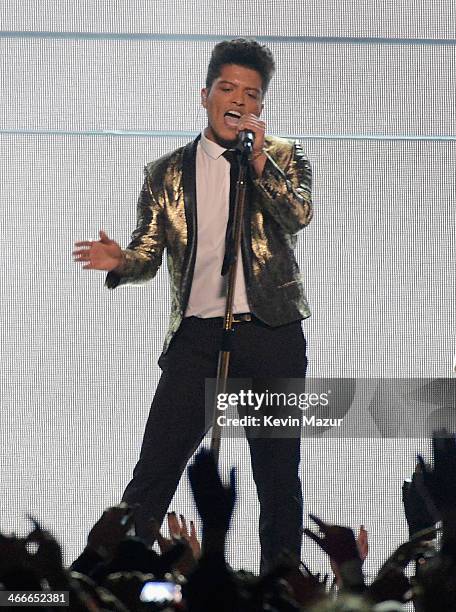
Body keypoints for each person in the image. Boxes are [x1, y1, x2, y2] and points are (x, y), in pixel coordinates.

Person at [73, 38, 312, 573]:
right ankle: (102, 584)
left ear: (260, 107)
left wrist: (257, 161)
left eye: (251, 95)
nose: (239, 101)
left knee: (277, 477)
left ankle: (280, 589)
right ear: (205, 95)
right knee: (154, 472)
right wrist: (119, 262)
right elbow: (147, 253)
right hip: (198, 339)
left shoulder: (282, 156)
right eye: (228, 89)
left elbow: (298, 216)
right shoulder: (166, 173)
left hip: (272, 335)